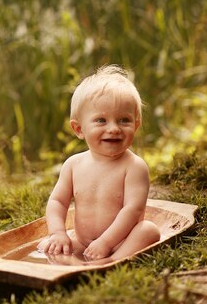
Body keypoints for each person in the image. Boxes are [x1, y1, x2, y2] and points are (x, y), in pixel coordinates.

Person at [36, 65, 160, 263]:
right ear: (79, 129)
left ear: (135, 125)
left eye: (124, 120)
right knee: (45, 245)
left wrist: (106, 243)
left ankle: (113, 261)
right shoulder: (73, 165)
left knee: (148, 230)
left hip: (121, 241)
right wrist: (58, 233)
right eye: (101, 120)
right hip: (84, 243)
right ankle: (75, 262)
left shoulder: (134, 167)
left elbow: (132, 210)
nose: (113, 128)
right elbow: (57, 202)